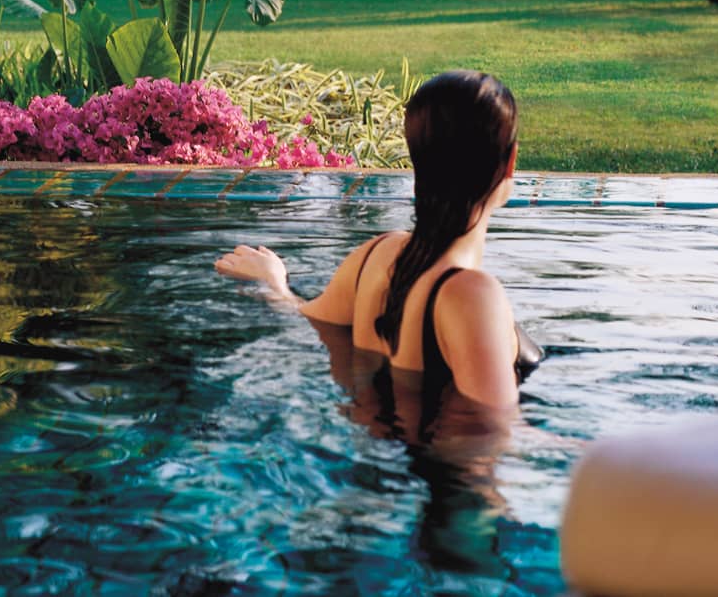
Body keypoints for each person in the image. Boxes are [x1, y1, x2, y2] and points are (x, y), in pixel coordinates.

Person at [215, 70, 540, 423]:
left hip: (363, 463)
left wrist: (273, 282)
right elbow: (497, 437)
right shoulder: (471, 295)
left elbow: (304, 315)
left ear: (418, 158)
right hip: (430, 476)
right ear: (511, 163)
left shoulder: (376, 256)